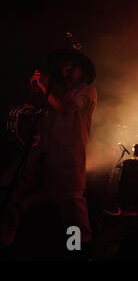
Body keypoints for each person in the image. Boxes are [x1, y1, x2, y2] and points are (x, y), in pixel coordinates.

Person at [0, 49, 97, 259]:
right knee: (16, 198)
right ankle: (7, 244)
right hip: (42, 157)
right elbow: (32, 111)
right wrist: (35, 88)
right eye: (65, 64)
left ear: (84, 71)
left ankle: (79, 251)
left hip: (69, 161)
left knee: (73, 211)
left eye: (73, 65)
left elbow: (65, 108)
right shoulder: (55, 90)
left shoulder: (87, 91)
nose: (67, 68)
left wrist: (44, 87)